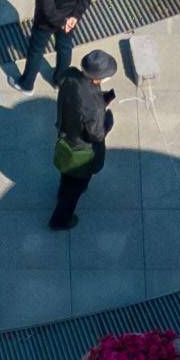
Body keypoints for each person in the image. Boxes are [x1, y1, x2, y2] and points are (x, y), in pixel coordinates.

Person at [51, 51, 119, 228]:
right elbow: (95, 135)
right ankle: (61, 220)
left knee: (67, 177)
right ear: (98, 78)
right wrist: (107, 123)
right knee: (75, 188)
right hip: (81, 151)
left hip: (65, 135)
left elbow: (79, 99)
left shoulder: (70, 75)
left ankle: (61, 192)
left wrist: (102, 99)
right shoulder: (95, 108)